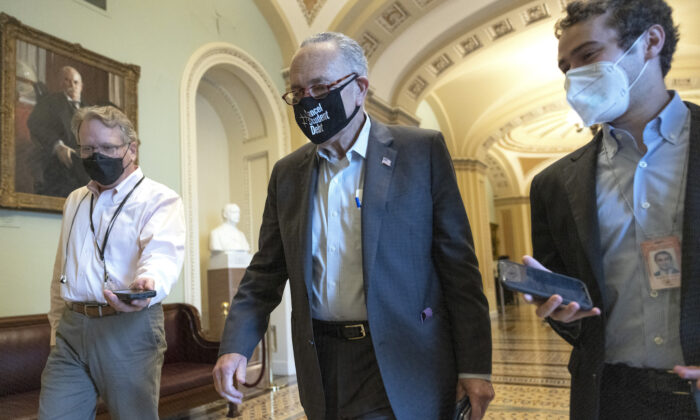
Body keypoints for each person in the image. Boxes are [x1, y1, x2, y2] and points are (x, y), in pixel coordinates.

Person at [212, 32, 494, 420]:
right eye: (297, 92)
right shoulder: (287, 174)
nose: (308, 100)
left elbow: (458, 267)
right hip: (322, 363)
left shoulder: (420, 152)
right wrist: (236, 345)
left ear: (359, 88)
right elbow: (265, 272)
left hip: (403, 357)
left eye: (320, 87)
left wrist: (475, 366)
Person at [524, 1, 700, 418]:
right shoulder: (552, 185)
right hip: (609, 396)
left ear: (650, 42)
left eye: (588, 56)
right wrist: (563, 313)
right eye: (566, 68)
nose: (574, 78)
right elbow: (571, 309)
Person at [38, 106, 186, 420]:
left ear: (131, 149)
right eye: (88, 149)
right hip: (72, 329)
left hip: (128, 329)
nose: (96, 156)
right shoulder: (76, 200)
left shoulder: (160, 199)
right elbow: (61, 269)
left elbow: (162, 255)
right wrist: (56, 328)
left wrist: (149, 283)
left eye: (107, 148)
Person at [27, 65, 90, 197]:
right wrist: (57, 145)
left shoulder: (91, 110)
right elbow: (35, 123)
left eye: (76, 82)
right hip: (59, 162)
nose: (72, 85)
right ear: (61, 82)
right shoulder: (49, 102)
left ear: (82, 86)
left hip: (86, 165)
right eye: (67, 80)